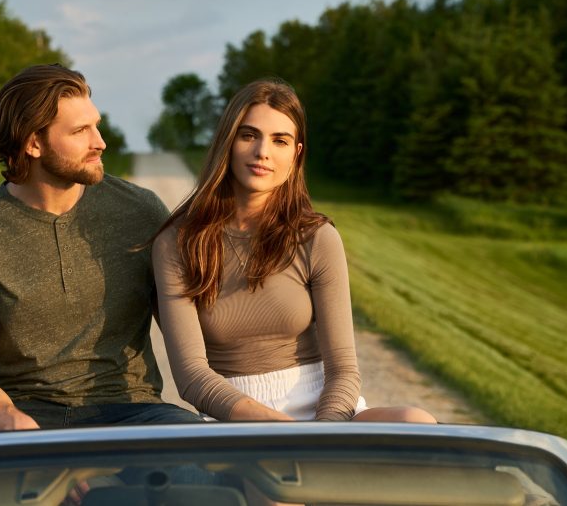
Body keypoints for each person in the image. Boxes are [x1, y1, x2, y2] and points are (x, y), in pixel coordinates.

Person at [0, 64, 202, 439]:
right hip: (16, 413)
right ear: (33, 143)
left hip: (131, 412)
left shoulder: (140, 211)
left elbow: (194, 325)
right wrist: (14, 425)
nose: (100, 142)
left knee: (199, 463)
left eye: (96, 125)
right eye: (80, 131)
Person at [152, 79, 436, 423]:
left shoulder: (317, 237)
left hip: (324, 411)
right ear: (228, 142)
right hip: (232, 417)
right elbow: (192, 377)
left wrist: (322, 432)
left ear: (296, 154)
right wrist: (281, 432)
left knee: (415, 421)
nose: (263, 152)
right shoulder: (178, 242)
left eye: (279, 141)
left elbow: (344, 369)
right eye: (249, 135)